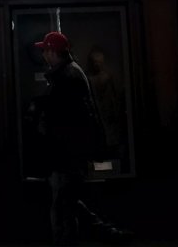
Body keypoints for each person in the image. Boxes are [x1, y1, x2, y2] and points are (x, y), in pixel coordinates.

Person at [35, 32, 131, 246]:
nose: (43, 54)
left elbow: (63, 120)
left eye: (45, 50)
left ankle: (102, 233)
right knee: (69, 202)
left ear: (52, 52)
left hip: (65, 155)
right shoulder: (71, 73)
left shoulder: (67, 77)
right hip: (69, 154)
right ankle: (105, 231)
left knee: (62, 207)